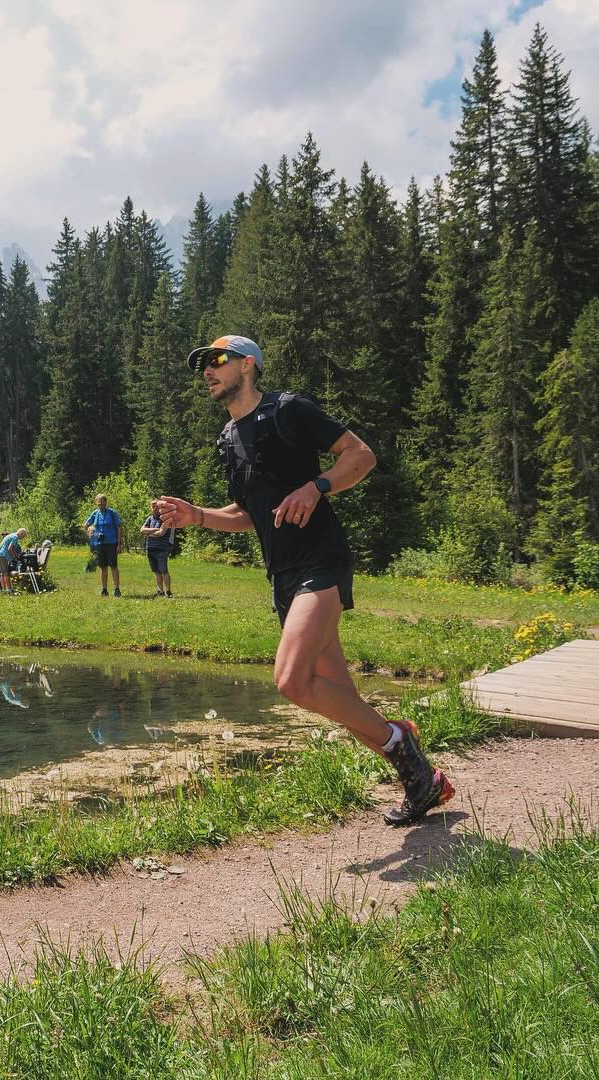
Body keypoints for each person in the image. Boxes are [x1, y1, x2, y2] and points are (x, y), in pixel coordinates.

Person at [154, 335, 454, 827]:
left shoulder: (287, 411)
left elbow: (360, 456)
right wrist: (197, 515)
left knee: (291, 681)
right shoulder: (228, 439)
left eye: (217, 361)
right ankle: (423, 782)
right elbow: (249, 515)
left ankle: (400, 738)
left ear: (247, 365)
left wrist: (316, 487)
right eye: (203, 365)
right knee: (343, 702)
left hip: (321, 559)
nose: (207, 371)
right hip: (282, 576)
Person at [84, 493, 122, 597]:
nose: (100, 503)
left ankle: (117, 589)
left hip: (112, 543)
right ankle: (104, 589)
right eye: (98, 501)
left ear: (106, 502)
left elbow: (119, 527)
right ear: (96, 503)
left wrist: (119, 544)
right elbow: (85, 525)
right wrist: (90, 529)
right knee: (103, 567)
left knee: (113, 566)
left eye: (102, 501)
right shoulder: (95, 513)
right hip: (99, 544)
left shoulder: (112, 513)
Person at [141, 508, 174, 597]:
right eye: (153, 506)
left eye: (156, 506)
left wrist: (148, 533)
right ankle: (160, 591)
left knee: (164, 571)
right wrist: (155, 529)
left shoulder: (166, 519)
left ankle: (168, 591)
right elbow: (142, 530)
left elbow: (161, 533)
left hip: (161, 549)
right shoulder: (150, 518)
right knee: (156, 571)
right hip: (150, 549)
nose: (155, 508)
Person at [0, 527, 28, 593]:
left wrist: (14, 555)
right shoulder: (15, 537)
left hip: (0, 554)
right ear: (21, 533)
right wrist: (16, 555)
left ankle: (4, 589)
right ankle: (9, 589)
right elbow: (10, 548)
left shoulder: (12, 535)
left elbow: (11, 548)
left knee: (2, 573)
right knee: (6, 572)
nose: (23, 537)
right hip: (3, 555)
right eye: (24, 536)